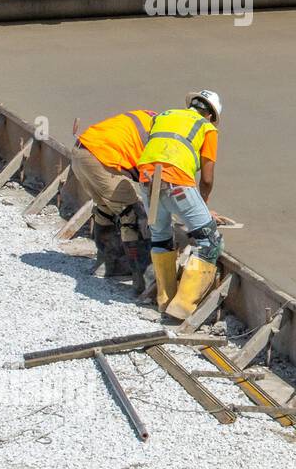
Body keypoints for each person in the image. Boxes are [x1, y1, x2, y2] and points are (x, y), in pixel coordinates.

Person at [136, 89, 223, 320]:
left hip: (146, 179)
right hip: (176, 181)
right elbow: (206, 178)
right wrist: (202, 208)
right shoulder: (207, 128)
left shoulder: (163, 116)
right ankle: (183, 307)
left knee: (161, 237)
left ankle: (164, 301)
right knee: (210, 241)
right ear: (211, 115)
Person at [71, 108, 156, 282]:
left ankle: (108, 265)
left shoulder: (146, 118)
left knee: (105, 208)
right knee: (133, 215)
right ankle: (142, 279)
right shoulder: (162, 138)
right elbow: (154, 182)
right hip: (100, 158)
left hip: (80, 153)